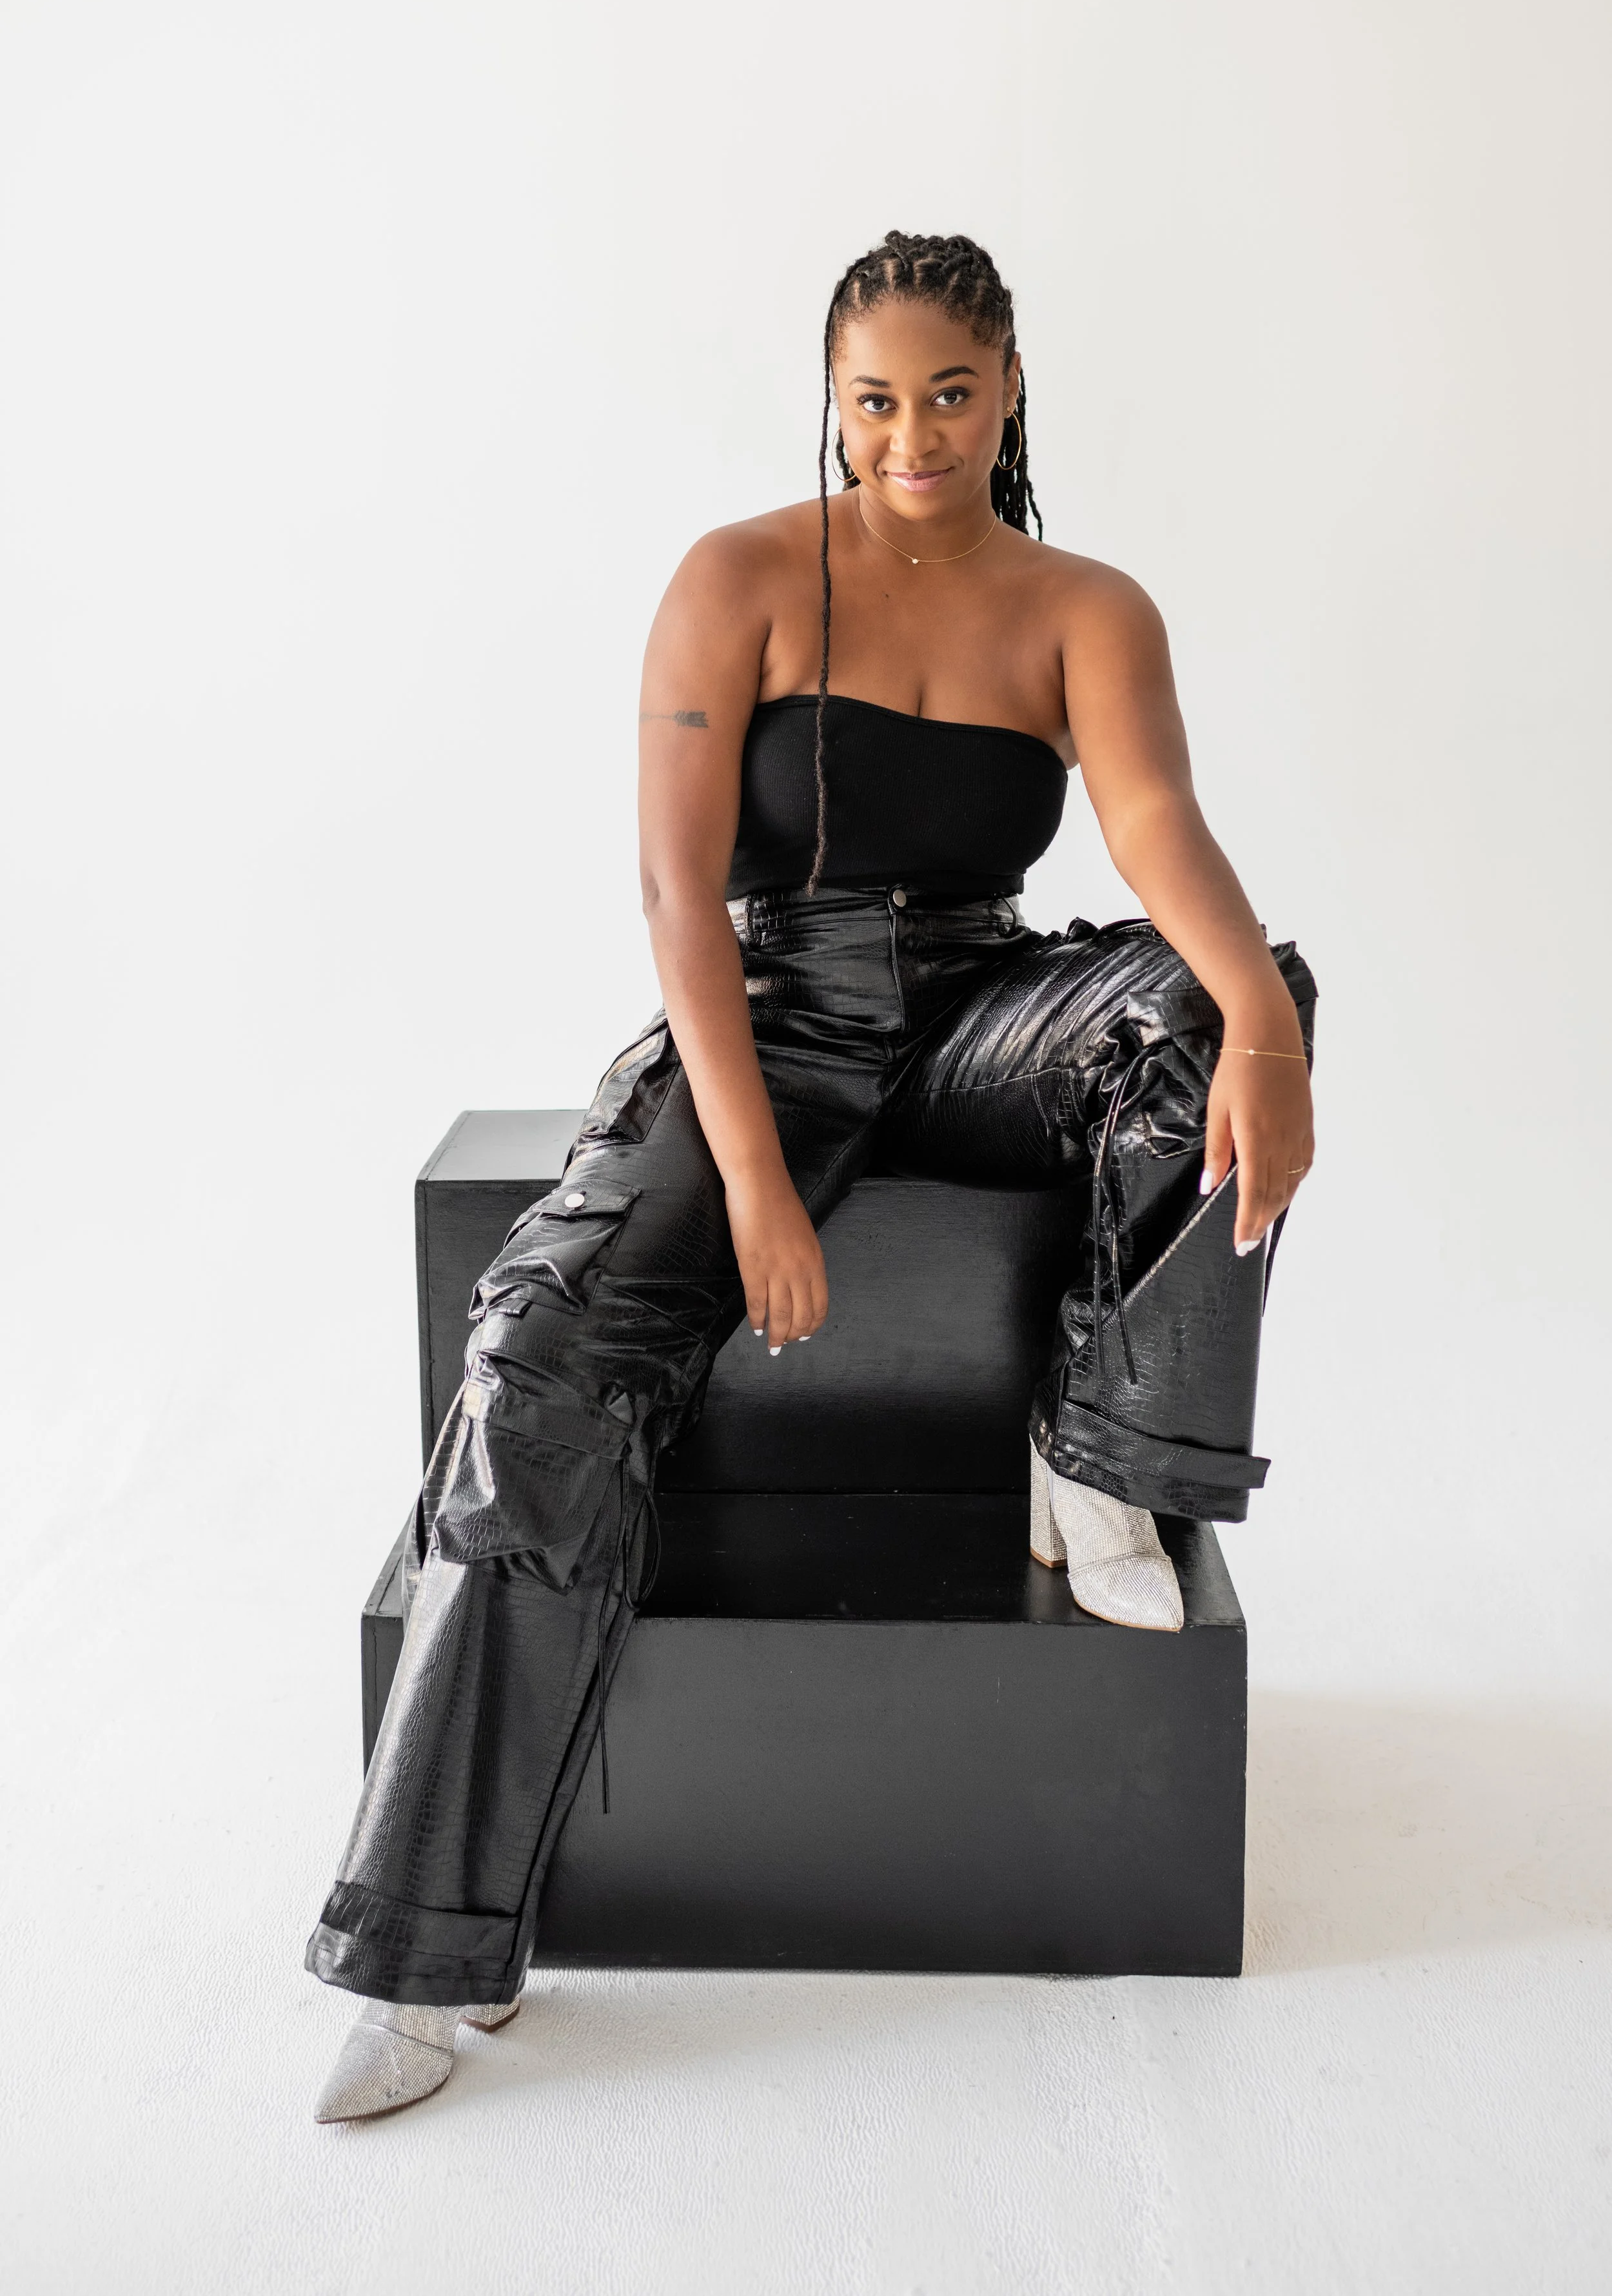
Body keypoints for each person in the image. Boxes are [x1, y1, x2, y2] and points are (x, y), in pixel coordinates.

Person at [307, 230, 1316, 2121]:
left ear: (1007, 385)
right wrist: (760, 1186)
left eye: (947, 392)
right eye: (873, 397)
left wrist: (1258, 1018)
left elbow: (1157, 822)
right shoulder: (742, 574)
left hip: (976, 1007)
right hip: (766, 1017)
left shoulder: (1087, 605)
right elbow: (678, 895)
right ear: (828, 397)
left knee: (1218, 995)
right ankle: (430, 1956)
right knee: (530, 1353)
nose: (909, 434)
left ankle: (1096, 1455)